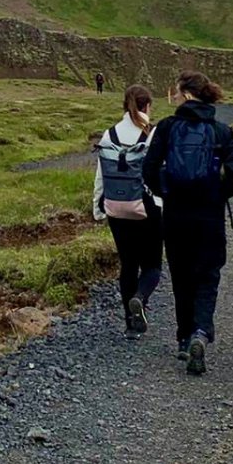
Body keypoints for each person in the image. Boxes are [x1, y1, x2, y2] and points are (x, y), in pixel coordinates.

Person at [143, 72, 233, 377]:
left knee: (181, 275)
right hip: (209, 216)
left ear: (186, 95)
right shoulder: (221, 131)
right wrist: (215, 194)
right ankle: (201, 332)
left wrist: (167, 192)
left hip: (175, 214)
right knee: (208, 275)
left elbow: (148, 170)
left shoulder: (166, 128)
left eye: (175, 93)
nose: (173, 97)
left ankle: (183, 337)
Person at [91, 84, 160, 338]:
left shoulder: (108, 135)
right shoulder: (152, 135)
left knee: (128, 264)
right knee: (152, 265)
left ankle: (131, 326)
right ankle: (140, 299)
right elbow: (158, 174)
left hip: (115, 208)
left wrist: (98, 207)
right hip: (146, 208)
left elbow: (101, 175)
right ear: (147, 107)